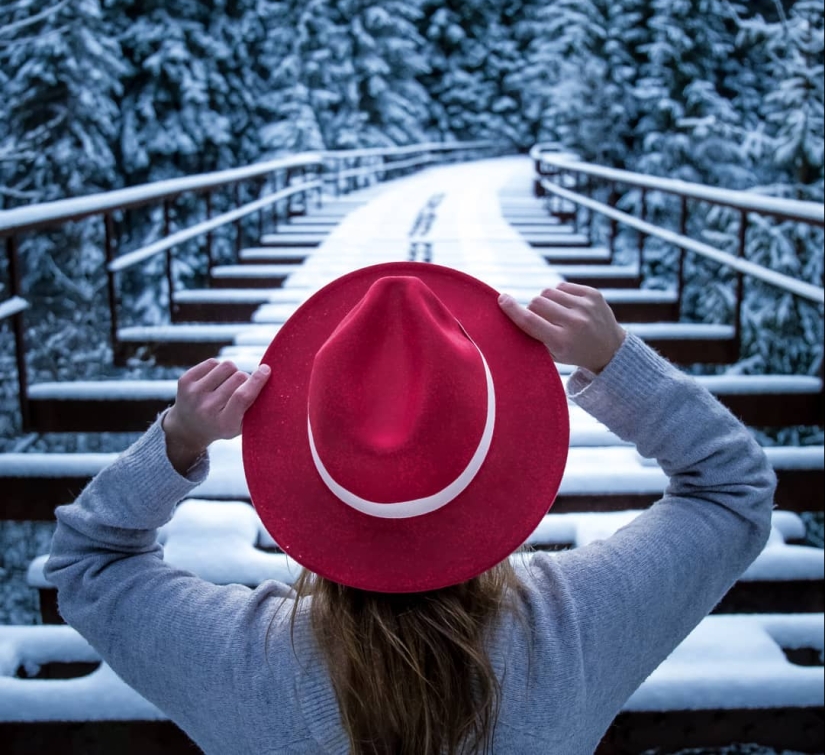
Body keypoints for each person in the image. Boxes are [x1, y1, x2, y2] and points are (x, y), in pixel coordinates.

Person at [44, 264, 775, 755]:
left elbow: (87, 563)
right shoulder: (571, 626)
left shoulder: (243, 660)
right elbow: (731, 488)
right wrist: (614, 359)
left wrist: (178, 440)